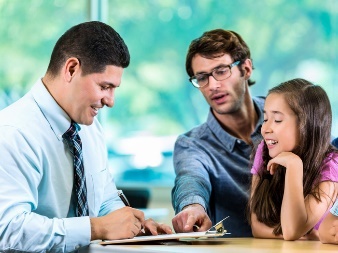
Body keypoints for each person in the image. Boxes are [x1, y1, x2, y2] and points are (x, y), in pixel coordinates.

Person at [0, 21, 172, 253]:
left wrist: (133, 225)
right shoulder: (13, 132)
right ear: (71, 69)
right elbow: (8, 229)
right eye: (104, 86)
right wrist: (95, 228)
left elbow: (103, 200)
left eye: (114, 89)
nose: (110, 101)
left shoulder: (90, 128)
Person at [171, 29, 264, 237]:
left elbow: (327, 153)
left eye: (221, 71)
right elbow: (191, 178)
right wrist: (192, 207)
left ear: (246, 69)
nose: (213, 85)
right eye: (202, 78)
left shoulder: (286, 116)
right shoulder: (193, 144)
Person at [248, 78, 338, 240]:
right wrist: (303, 236)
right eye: (266, 118)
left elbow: (291, 231)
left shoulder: (331, 165)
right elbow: (257, 227)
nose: (265, 129)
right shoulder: (263, 151)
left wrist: (294, 165)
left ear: (307, 125)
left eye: (277, 120)